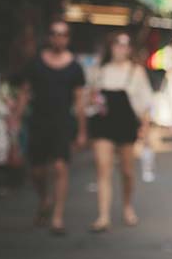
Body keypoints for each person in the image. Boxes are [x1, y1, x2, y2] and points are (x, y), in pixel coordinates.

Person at [15, 20, 86, 236]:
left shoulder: (74, 67)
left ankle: (57, 216)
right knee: (37, 171)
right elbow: (25, 93)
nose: (59, 38)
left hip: (62, 123)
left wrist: (82, 131)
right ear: (49, 37)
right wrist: (16, 119)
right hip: (38, 121)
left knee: (60, 167)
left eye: (63, 34)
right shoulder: (36, 63)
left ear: (68, 39)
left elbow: (79, 100)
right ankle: (44, 199)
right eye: (55, 33)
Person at [88, 32, 153, 232]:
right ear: (111, 46)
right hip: (103, 123)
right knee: (103, 167)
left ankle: (127, 206)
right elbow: (88, 97)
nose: (121, 48)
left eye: (125, 44)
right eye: (117, 43)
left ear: (130, 49)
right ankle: (103, 215)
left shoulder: (136, 72)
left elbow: (145, 104)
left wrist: (146, 130)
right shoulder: (99, 71)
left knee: (126, 171)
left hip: (126, 124)